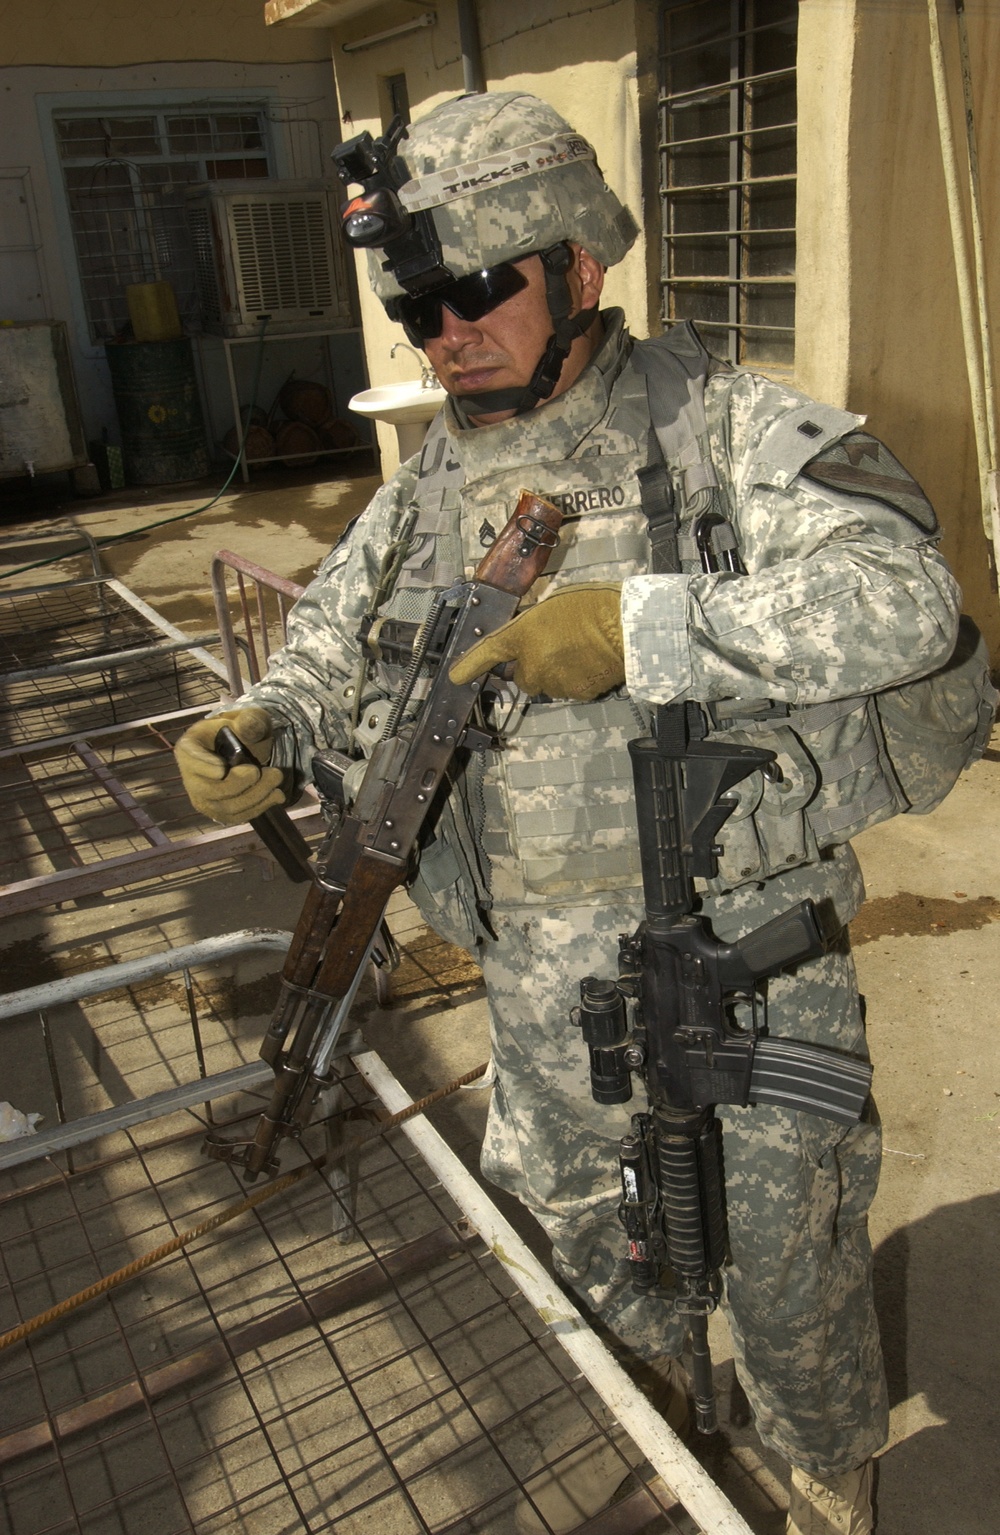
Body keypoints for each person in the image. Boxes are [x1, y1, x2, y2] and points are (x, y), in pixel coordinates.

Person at [176, 92, 961, 1534]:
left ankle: (823, 1495)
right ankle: (669, 1467)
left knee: (792, 1281)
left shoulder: (722, 428)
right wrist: (266, 725)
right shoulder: (431, 488)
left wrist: (649, 629)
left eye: (477, 288)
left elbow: (908, 600)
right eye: (418, 308)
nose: (446, 333)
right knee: (602, 1284)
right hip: (545, 1005)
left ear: (579, 269)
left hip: (740, 971)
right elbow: (331, 646)